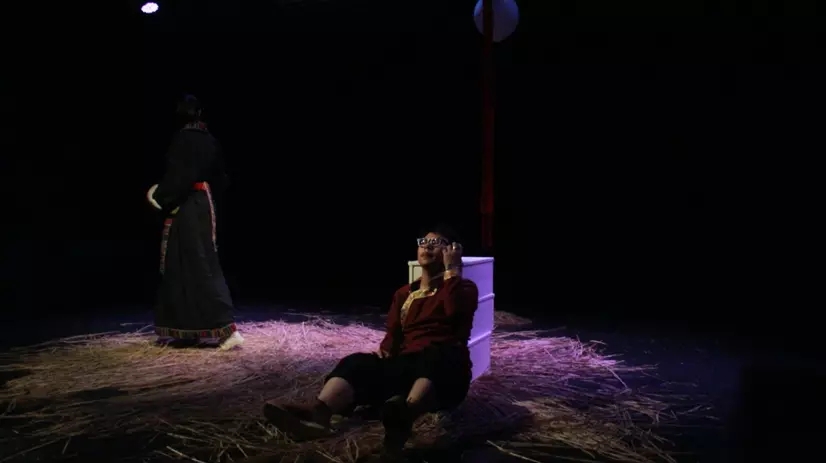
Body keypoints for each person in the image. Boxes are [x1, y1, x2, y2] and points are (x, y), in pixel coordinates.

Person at [263, 226, 478, 459]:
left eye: (436, 243)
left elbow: (454, 312)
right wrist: (386, 352)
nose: (426, 246)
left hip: (445, 371)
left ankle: (405, 414)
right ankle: (319, 413)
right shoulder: (404, 294)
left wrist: (452, 270)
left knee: (435, 356)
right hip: (408, 365)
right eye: (423, 242)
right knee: (357, 362)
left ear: (451, 251)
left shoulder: (463, 288)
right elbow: (393, 335)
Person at [146, 95, 243, 350]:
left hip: (188, 204)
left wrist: (160, 196)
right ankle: (189, 329)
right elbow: (222, 178)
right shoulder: (210, 139)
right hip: (202, 202)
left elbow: (179, 177)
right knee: (186, 262)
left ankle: (226, 329)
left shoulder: (183, 139)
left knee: (197, 263)